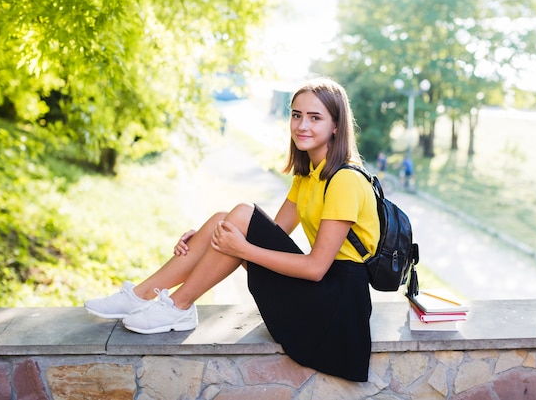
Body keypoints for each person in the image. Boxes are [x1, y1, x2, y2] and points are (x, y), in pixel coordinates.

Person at [84, 78, 380, 382]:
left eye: (314, 117)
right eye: (296, 115)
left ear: (335, 125)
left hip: (336, 307)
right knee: (224, 218)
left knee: (239, 216)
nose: (302, 125)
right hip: (322, 293)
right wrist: (204, 238)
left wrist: (242, 249)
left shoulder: (345, 180)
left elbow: (316, 268)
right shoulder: (307, 176)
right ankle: (141, 296)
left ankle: (179, 305)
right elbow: (271, 233)